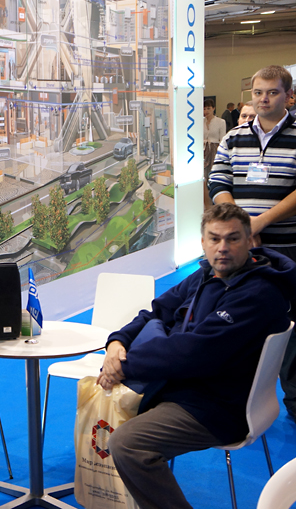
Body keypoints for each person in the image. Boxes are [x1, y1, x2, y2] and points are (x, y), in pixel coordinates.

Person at [98, 203, 296, 509]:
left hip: (220, 406)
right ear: (203, 242)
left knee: (128, 444)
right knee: (97, 397)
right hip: (184, 387)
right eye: (214, 239)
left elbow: (194, 353)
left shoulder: (259, 293)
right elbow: (157, 311)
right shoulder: (204, 275)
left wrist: (125, 367)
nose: (223, 248)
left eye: (233, 238)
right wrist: (117, 341)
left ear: (250, 240)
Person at [209, 65, 296, 421]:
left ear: (289, 96)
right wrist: (242, 227)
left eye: (272, 92)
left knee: (290, 326)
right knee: (237, 321)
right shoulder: (234, 137)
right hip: (241, 250)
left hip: (287, 248)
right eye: (258, 92)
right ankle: (234, 400)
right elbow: (218, 183)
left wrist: (261, 221)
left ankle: (294, 401)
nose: (264, 99)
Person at [203, 99, 225, 207]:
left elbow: (222, 140)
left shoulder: (220, 122)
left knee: (213, 176)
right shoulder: (200, 121)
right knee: (203, 177)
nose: (206, 111)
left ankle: (215, 204)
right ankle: (206, 205)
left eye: (208, 108)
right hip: (203, 150)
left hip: (215, 150)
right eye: (204, 109)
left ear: (213, 108)